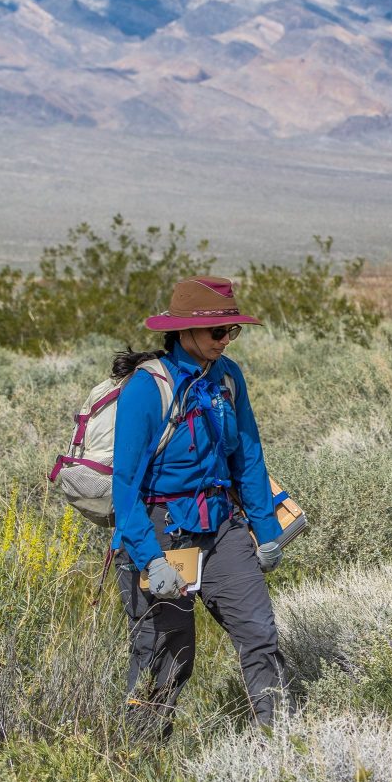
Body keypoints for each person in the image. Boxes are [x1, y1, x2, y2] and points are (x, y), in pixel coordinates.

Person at [111, 275, 288, 738]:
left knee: (259, 636)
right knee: (167, 652)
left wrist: (266, 532)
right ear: (184, 331)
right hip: (160, 531)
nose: (226, 340)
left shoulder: (228, 378)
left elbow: (247, 455)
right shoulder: (147, 389)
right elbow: (125, 488)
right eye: (217, 331)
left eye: (232, 331)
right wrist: (150, 558)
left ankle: (277, 745)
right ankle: (140, 758)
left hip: (222, 526)